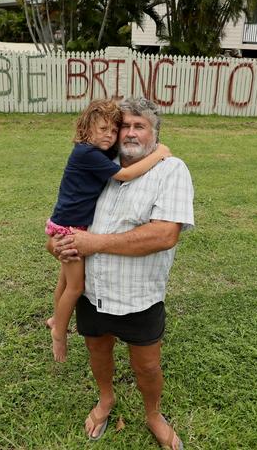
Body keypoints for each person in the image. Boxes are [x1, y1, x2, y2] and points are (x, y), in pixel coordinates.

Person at [49, 97, 194, 449]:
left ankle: (154, 415)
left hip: (138, 296)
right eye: (123, 125)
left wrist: (92, 242)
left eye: (138, 126)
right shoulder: (100, 164)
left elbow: (165, 235)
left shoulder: (171, 170)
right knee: (98, 354)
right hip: (92, 293)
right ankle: (105, 400)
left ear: (154, 134)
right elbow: (69, 216)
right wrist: (57, 245)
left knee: (146, 368)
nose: (128, 132)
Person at [45, 99, 171, 362]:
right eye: (103, 129)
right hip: (71, 228)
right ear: (86, 128)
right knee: (75, 286)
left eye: (113, 131)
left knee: (64, 280)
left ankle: (55, 316)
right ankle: (59, 330)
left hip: (64, 221)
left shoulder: (94, 151)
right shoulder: (86, 153)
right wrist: (159, 154)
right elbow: (124, 175)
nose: (110, 136)